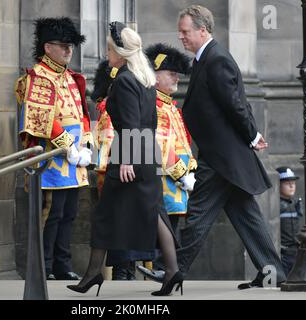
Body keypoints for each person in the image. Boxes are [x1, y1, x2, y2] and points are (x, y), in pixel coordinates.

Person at [138, 5, 286, 289]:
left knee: (197, 215)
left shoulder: (216, 59)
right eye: (180, 31)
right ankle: (273, 273)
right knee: (246, 215)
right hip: (221, 155)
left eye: (185, 31)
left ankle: (173, 269)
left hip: (221, 157)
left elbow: (235, 104)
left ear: (202, 30)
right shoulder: (205, 59)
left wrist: (253, 136)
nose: (180, 36)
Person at [67, 22, 183, 296]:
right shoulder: (144, 78)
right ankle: (171, 271)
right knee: (154, 212)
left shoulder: (125, 80)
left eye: (109, 48)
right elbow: (151, 123)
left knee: (107, 214)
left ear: (121, 52)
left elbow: (129, 122)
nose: (107, 53)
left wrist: (128, 160)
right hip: (145, 150)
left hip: (129, 152)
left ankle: (94, 274)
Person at [15, 17, 92, 281]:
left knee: (69, 213)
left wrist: (87, 144)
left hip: (74, 157)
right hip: (51, 159)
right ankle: (43, 265)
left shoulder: (71, 77)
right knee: (52, 213)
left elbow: (82, 114)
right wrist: (68, 146)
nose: (69, 50)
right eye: (63, 46)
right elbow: (41, 119)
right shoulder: (38, 76)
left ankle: (62, 263)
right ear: (48, 47)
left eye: (70, 46)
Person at [91, 60, 155, 281]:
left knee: (130, 217)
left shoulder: (127, 84)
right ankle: (115, 271)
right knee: (122, 217)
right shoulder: (131, 85)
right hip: (125, 158)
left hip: (130, 156)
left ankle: (170, 269)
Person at [145, 43, 197, 234]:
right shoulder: (155, 107)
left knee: (172, 234)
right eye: (171, 73)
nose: (176, 77)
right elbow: (161, 147)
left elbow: (184, 145)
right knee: (163, 236)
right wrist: (182, 173)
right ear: (155, 76)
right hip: (164, 182)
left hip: (178, 183)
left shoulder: (171, 107)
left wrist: (190, 170)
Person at [276, 167, 303, 276]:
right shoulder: (276, 205)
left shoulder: (295, 203)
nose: (292, 186)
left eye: (293, 183)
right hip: (282, 255)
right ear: (278, 185)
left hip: (295, 253)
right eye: (287, 183)